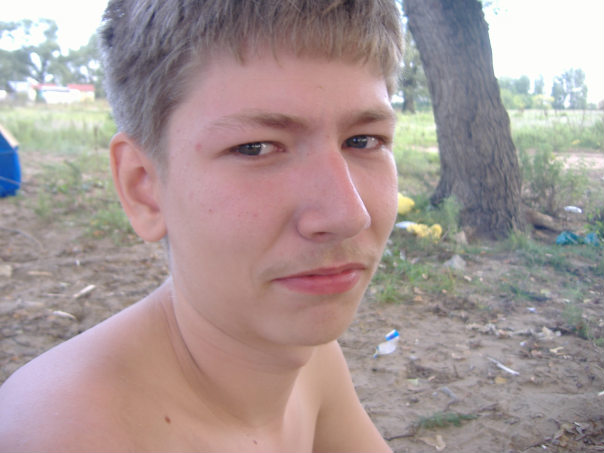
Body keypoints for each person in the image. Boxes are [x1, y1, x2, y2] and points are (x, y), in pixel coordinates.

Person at [0, 1, 403, 451]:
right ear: (143, 187)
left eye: (363, 140)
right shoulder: (60, 434)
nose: (348, 214)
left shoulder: (306, 358)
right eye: (255, 148)